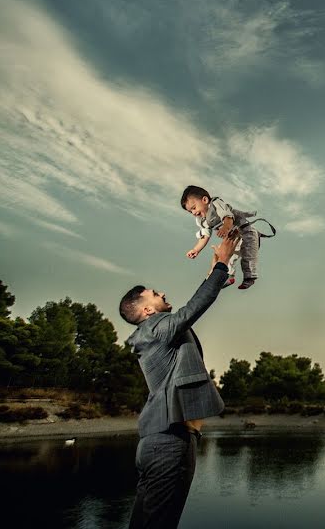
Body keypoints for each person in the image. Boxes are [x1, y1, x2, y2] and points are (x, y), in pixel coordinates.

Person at [120, 231, 239, 528]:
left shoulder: (157, 333)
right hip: (169, 441)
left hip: (164, 440)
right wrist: (222, 263)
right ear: (147, 310)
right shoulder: (154, 328)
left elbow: (190, 310)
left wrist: (215, 273)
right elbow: (190, 311)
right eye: (154, 294)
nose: (161, 294)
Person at [181, 185, 274, 290]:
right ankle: (229, 277)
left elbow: (228, 217)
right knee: (224, 256)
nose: (194, 213)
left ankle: (249, 277)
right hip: (233, 238)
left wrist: (225, 227)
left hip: (246, 231)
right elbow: (205, 235)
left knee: (248, 254)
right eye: (190, 211)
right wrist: (196, 249)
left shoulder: (216, 204)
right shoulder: (202, 220)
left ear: (205, 200)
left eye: (194, 208)